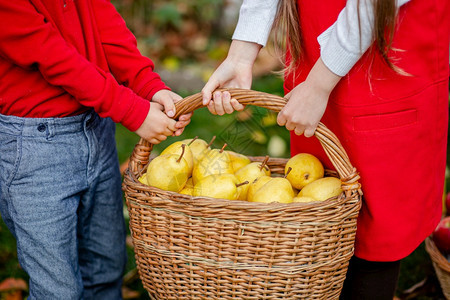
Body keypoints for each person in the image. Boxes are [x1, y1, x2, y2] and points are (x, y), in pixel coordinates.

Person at [202, 0, 450, 299]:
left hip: (383, 64)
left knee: (377, 228)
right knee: (321, 209)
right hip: (318, 50)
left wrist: (320, 81)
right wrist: (242, 51)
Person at [0, 0, 191, 299]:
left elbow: (105, 24)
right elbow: (51, 54)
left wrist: (148, 85)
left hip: (96, 129)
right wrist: (132, 110)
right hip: (37, 149)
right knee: (57, 289)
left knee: (105, 267)